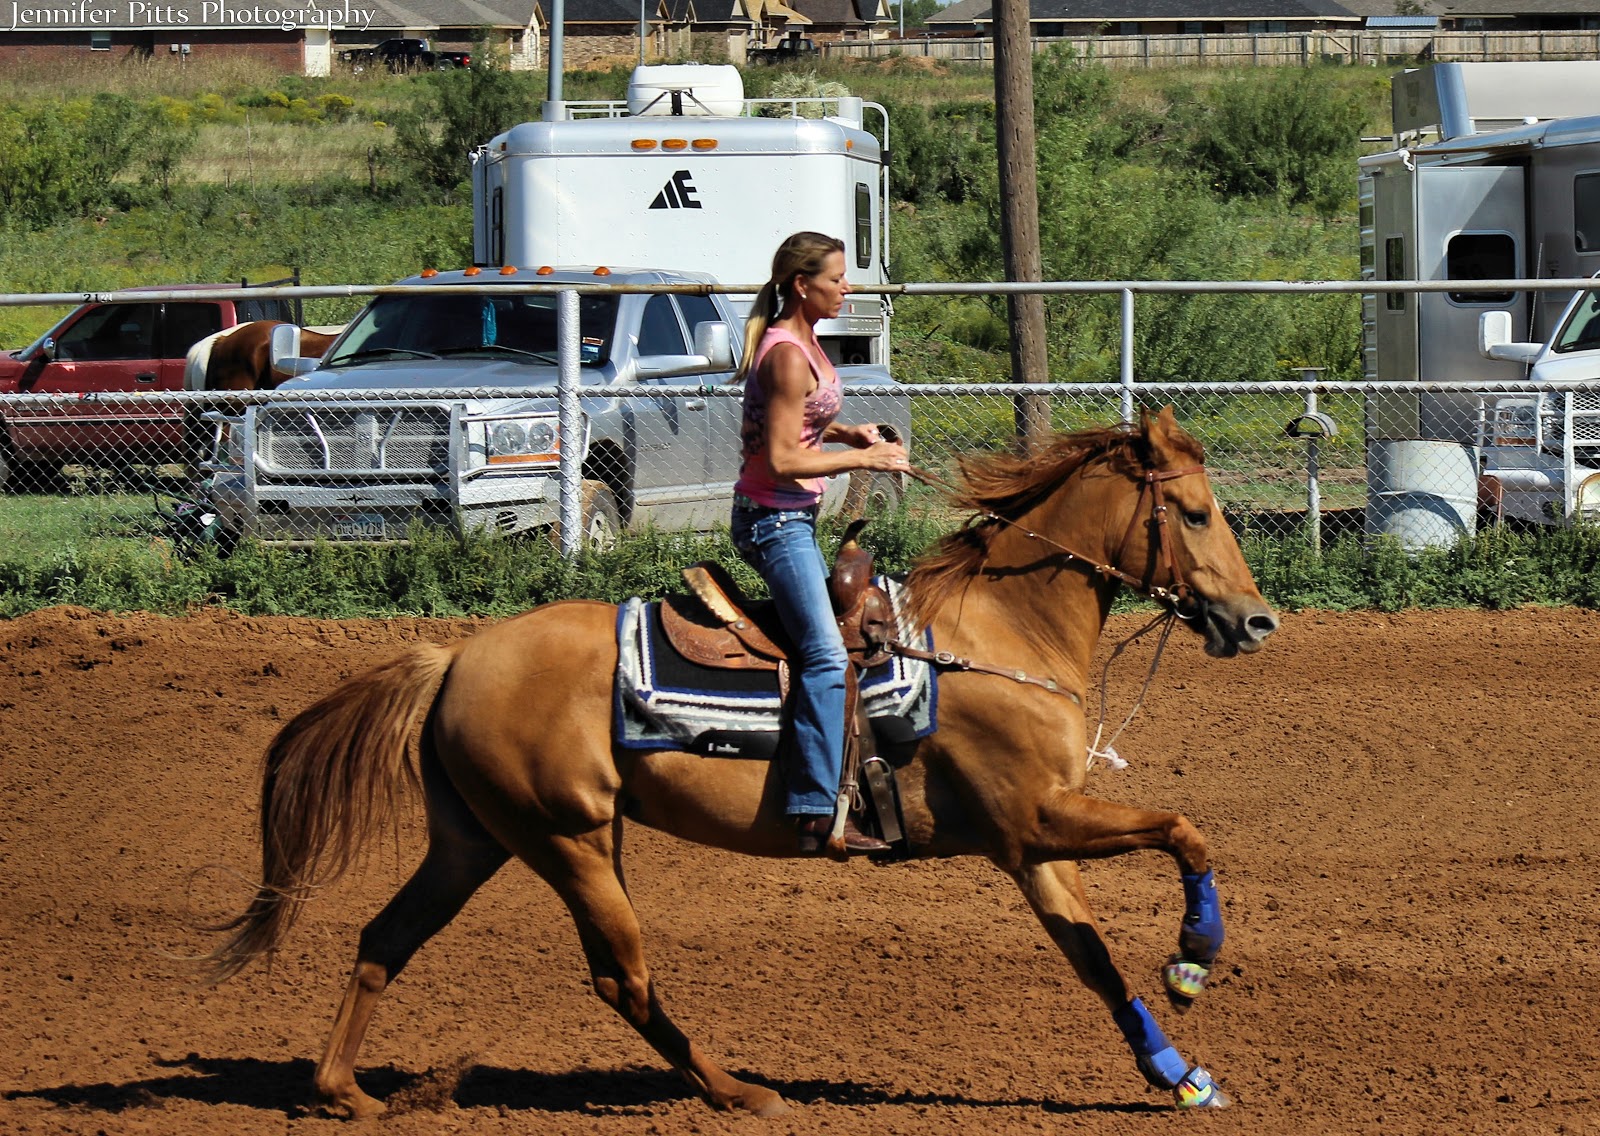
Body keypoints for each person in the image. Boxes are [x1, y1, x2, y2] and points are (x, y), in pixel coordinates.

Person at [730, 232, 910, 856]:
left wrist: (848, 431)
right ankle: (812, 811)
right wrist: (873, 457)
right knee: (827, 655)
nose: (847, 287)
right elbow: (781, 456)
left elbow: (798, 416)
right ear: (803, 285)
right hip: (772, 520)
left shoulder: (800, 343)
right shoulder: (785, 353)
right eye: (836, 279)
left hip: (791, 516)